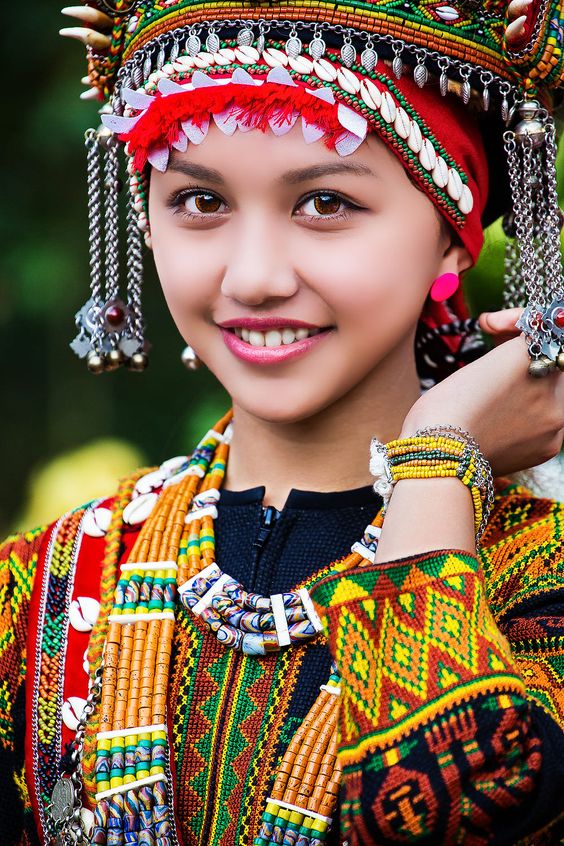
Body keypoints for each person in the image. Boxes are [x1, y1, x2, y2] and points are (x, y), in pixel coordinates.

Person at [1, 0, 563, 843]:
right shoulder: (40, 590)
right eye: (198, 200)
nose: (254, 277)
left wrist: (439, 456)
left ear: (453, 239)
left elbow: (459, 803)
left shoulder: (538, 578)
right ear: (145, 225)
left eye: (326, 204)